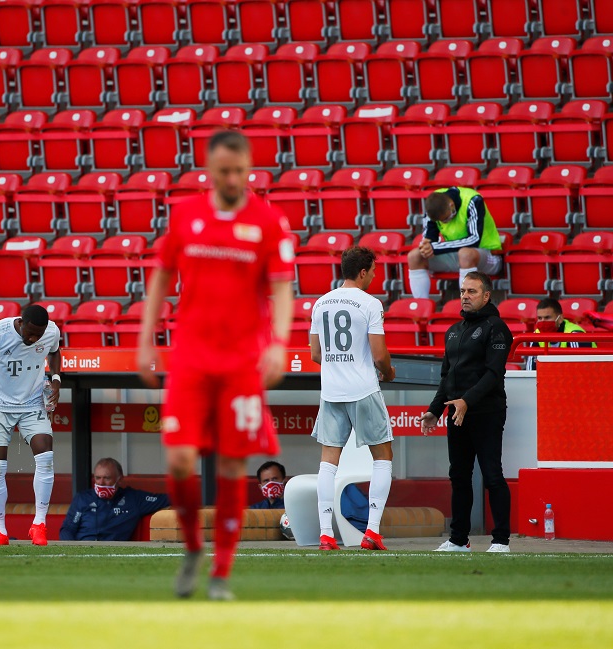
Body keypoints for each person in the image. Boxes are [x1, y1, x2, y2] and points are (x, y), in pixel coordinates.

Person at [137, 130, 295, 601]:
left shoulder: (268, 222)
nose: (231, 179)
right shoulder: (187, 216)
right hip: (190, 359)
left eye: (239, 171)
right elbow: (161, 277)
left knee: (230, 465)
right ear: (208, 170)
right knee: (179, 459)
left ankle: (221, 571)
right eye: (223, 171)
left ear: (249, 168)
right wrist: (146, 339)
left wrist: (279, 343)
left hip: (242, 362)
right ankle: (191, 548)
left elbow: (283, 287)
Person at [309, 246, 396, 551]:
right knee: (383, 458)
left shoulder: (321, 303)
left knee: (327, 464)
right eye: (373, 271)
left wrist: (337, 368)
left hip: (331, 392)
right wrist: (389, 371)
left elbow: (316, 354)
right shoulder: (370, 304)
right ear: (362, 272)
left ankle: (325, 534)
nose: (374, 275)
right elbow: (379, 354)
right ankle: (371, 533)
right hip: (363, 390)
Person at [421, 271, 514, 553]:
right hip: (456, 414)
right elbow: (447, 378)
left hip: (487, 412)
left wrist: (466, 401)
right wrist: (435, 410)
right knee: (459, 476)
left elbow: (493, 373)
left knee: (492, 475)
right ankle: (459, 540)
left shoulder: (497, 328)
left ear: (486, 296)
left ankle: (501, 541)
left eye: (472, 292)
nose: (465, 296)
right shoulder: (453, 331)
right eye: (463, 291)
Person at [0, 303, 61, 547]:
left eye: (39, 335)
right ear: (21, 322)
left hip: (32, 403)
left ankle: (39, 525)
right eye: (30, 333)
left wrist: (56, 379)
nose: (34, 338)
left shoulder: (51, 332)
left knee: (46, 454)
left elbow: (55, 352)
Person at [407, 187, 503, 300]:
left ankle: (469, 306)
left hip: (487, 254)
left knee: (465, 254)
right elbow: (429, 238)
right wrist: (426, 246)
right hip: (455, 256)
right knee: (414, 256)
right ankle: (421, 307)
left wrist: (436, 247)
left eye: (446, 219)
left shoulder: (473, 200)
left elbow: (474, 240)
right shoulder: (433, 204)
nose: (444, 222)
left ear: (451, 205)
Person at [59, 458, 170, 541]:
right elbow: (67, 529)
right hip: (83, 552)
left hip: (114, 555)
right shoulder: (82, 498)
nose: (101, 483)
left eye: (107, 478)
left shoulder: (133, 499)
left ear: (120, 480)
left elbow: (168, 499)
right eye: (98, 478)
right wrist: (73, 552)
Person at [525, 298, 595, 370]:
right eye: (540, 318)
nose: (543, 322)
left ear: (560, 318)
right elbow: (530, 370)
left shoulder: (575, 334)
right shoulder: (536, 334)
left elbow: (579, 370)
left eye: (547, 317)